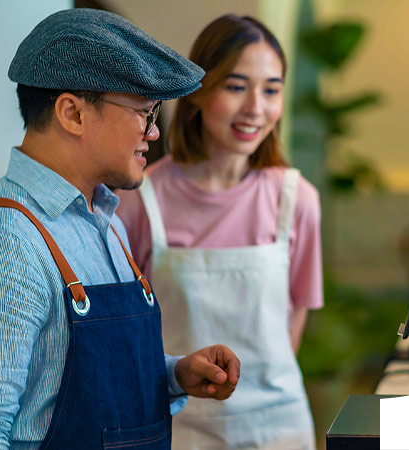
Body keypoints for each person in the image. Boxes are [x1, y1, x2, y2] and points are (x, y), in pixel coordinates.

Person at [0, 9, 240, 450]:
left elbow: (75, 384)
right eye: (144, 113)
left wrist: (172, 375)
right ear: (72, 113)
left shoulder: (102, 221)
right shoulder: (3, 242)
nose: (153, 132)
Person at [117, 14, 323, 450]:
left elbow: (295, 318)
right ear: (197, 93)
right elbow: (127, 331)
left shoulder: (296, 198)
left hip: (279, 427)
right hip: (180, 426)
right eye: (235, 86)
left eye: (271, 89)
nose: (255, 108)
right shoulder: (141, 200)